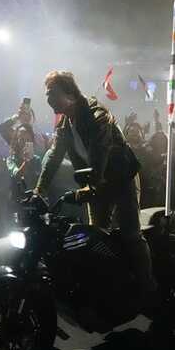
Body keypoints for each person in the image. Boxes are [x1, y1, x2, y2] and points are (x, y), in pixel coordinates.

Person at [34, 70, 156, 303]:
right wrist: (39, 189)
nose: (48, 100)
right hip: (95, 182)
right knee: (95, 235)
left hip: (120, 179)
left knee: (131, 234)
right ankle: (107, 284)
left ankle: (148, 287)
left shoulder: (96, 114)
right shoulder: (66, 123)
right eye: (46, 95)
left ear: (69, 93)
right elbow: (53, 155)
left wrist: (93, 185)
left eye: (52, 94)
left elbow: (100, 150)